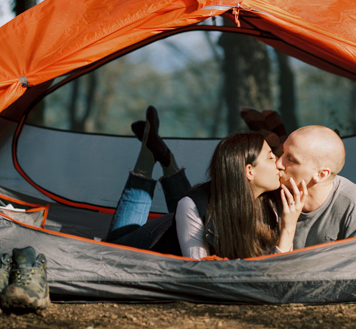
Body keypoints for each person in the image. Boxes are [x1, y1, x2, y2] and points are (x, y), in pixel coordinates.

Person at [105, 107, 307, 259]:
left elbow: (276, 272)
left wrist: (288, 227)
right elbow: (200, 274)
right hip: (143, 243)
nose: (281, 165)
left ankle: (166, 159)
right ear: (249, 171)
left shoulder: (270, 204)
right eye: (272, 157)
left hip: (195, 211)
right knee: (111, 250)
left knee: (197, 204)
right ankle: (148, 156)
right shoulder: (194, 205)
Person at [276, 125, 356, 249]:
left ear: (321, 175)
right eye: (282, 153)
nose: (278, 163)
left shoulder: (353, 204)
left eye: (291, 159)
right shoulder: (272, 193)